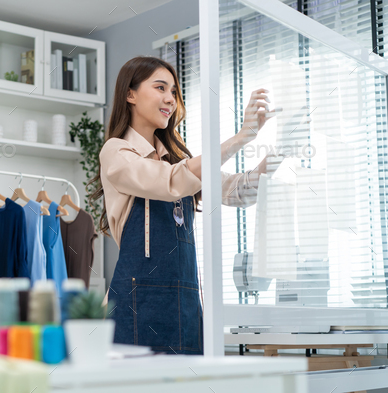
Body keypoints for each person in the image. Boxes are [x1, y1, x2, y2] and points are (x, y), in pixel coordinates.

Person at [89, 56, 276, 354]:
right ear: (130, 94)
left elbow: (239, 191)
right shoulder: (117, 152)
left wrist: (278, 157)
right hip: (138, 304)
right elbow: (169, 181)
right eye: (160, 87)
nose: (170, 99)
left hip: (186, 301)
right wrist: (243, 137)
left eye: (174, 92)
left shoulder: (178, 161)